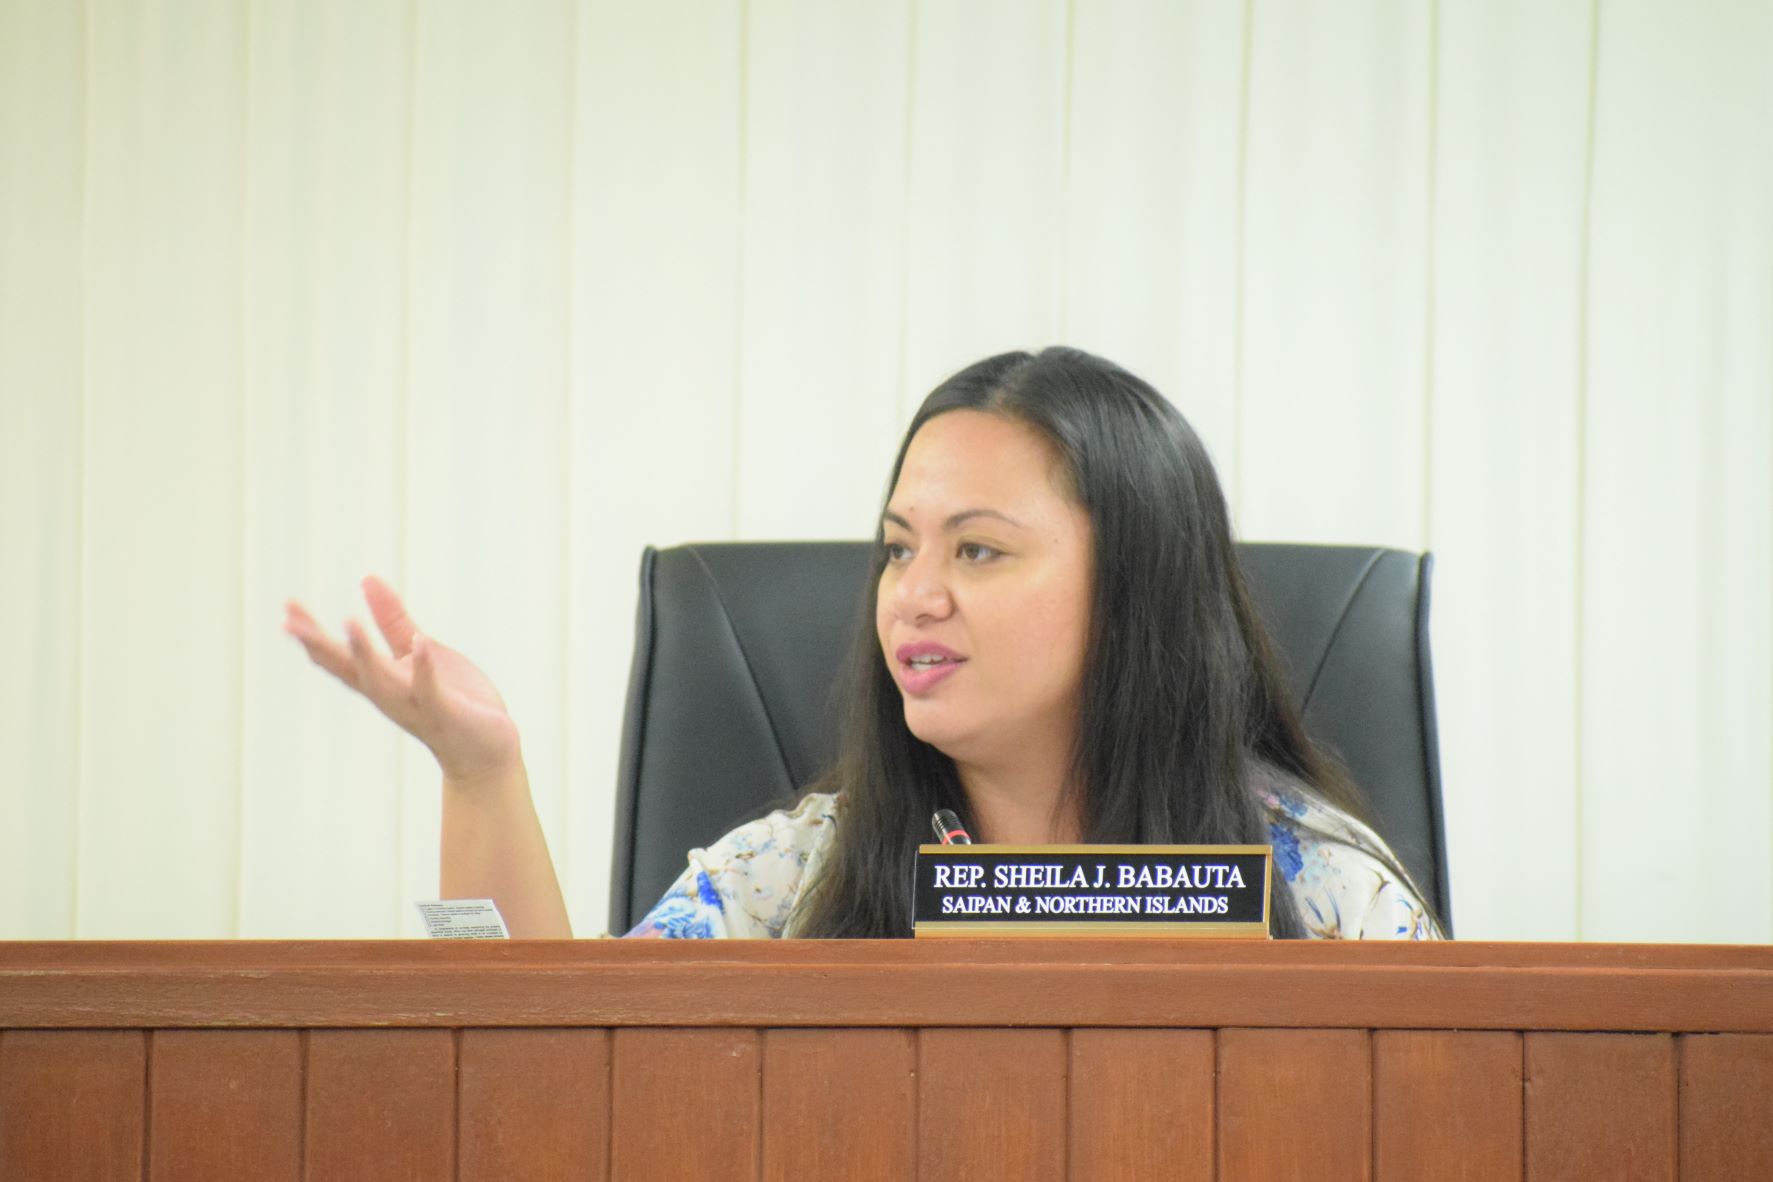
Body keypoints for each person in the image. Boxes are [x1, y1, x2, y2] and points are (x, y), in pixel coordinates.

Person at [286, 348, 1441, 941]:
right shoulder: (797, 874)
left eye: (977, 550)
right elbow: (556, 1075)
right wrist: (479, 771)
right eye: (897, 549)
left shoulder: (1322, 891)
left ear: (1134, 591)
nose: (913, 597)